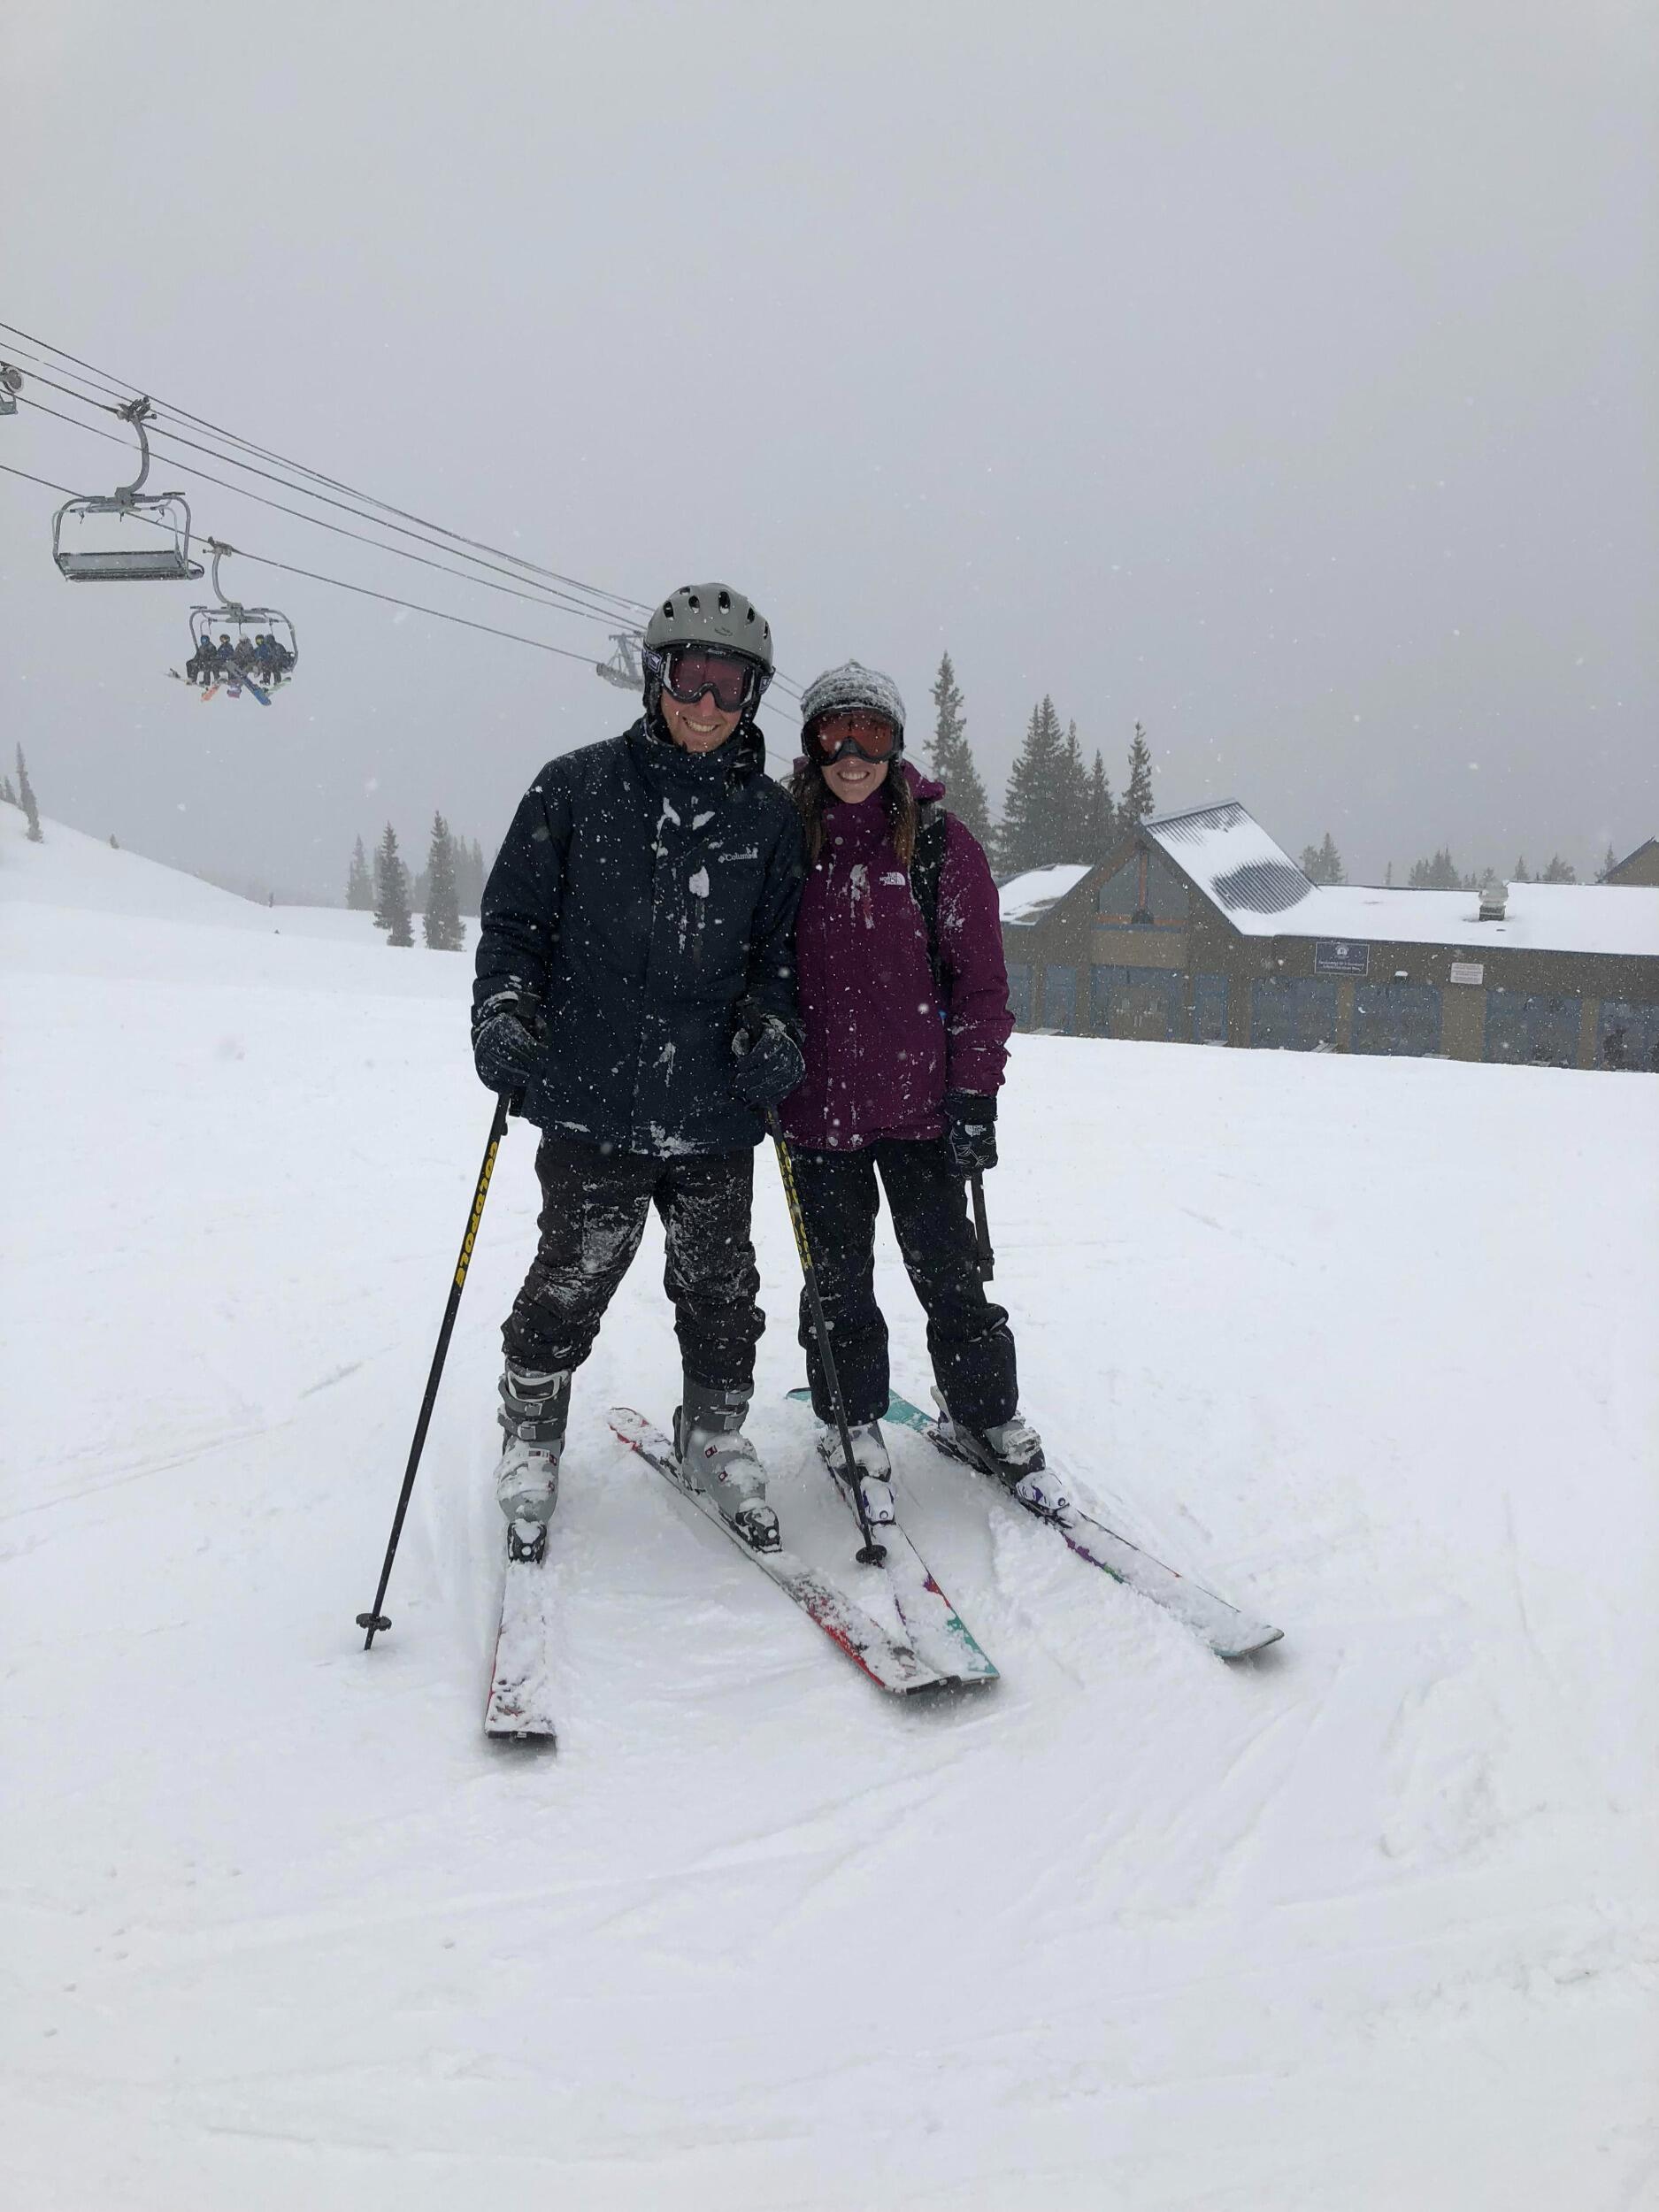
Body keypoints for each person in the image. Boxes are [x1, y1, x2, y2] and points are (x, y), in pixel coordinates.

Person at [472, 583, 806, 1558]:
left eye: (728, 684)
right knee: (573, 1276)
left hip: (714, 1103)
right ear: (656, 675)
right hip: (592, 1094)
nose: (705, 703)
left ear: (752, 695)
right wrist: (504, 1010)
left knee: (720, 1286)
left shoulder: (769, 819)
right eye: (689, 676)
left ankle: (714, 1430)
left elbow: (780, 959)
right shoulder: (576, 787)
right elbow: (514, 928)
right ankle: (532, 1430)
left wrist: (773, 1028)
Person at [778, 661, 1056, 1528]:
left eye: (869, 734)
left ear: (895, 745)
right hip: (815, 1114)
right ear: (812, 745)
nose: (851, 755)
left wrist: (974, 1096)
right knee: (838, 1284)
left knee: (952, 1277)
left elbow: (981, 989)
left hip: (922, 1114)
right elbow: (754, 967)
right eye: (834, 734)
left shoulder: (938, 844)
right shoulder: (785, 841)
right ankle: (851, 1421)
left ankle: (984, 1414)